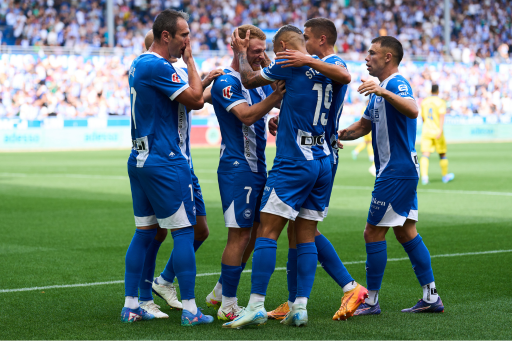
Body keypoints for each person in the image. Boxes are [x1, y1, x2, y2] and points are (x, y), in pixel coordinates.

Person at [224, 24, 358, 329]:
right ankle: (300, 307)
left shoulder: (289, 64)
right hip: (323, 158)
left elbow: (249, 79)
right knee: (305, 235)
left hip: (294, 160)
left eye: (274, 48)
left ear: (284, 46)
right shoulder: (334, 64)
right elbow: (328, 82)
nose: (272, 54)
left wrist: (242, 53)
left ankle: (256, 304)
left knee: (267, 231)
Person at [265, 18, 367, 322]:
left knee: (304, 229)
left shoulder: (331, 62)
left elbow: (344, 76)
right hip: (316, 148)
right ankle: (295, 301)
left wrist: (306, 59)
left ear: (322, 39)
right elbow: (308, 106)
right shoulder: (318, 67)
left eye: (307, 38)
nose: (304, 44)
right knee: (297, 231)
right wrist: (282, 118)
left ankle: (349, 286)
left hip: (319, 153)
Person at [337, 36, 444, 315]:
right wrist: (335, 135)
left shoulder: (395, 83)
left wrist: (383, 92)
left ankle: (371, 300)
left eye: (372, 53)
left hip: (396, 172)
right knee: (406, 231)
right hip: (398, 171)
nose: (366, 57)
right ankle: (431, 296)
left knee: (372, 233)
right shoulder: (380, 90)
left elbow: (412, 109)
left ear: (388, 58)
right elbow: (362, 127)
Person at [122, 9, 214, 326]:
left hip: (141, 158)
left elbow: (180, 96)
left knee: (145, 232)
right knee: (185, 232)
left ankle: (132, 304)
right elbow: (195, 100)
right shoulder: (158, 65)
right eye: (184, 35)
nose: (188, 40)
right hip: (166, 160)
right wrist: (190, 63)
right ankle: (190, 310)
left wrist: (198, 80)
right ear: (166, 36)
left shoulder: (140, 63)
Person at [203, 24, 286, 322]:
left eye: (263, 50)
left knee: (254, 233)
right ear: (237, 49)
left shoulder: (255, 81)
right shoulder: (228, 80)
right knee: (238, 236)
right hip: (238, 168)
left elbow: (266, 108)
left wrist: (274, 116)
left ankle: (221, 290)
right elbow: (247, 115)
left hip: (257, 167)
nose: (259, 56)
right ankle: (227, 303)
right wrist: (275, 100)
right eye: (254, 51)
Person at [419, 84, 454, 185]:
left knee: (425, 154)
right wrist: (440, 130)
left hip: (426, 131)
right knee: (442, 154)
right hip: (437, 131)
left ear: (431, 91)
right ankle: (445, 176)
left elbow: (423, 117)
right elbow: (442, 116)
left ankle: (425, 178)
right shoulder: (440, 102)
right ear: (438, 91)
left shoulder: (424, 101)